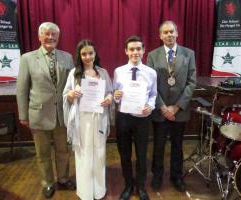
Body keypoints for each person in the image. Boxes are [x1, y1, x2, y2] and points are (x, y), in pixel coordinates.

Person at [16, 22, 75, 199]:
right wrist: (23, 114)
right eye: (47, 34)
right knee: (43, 154)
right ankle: (48, 183)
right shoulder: (27, 58)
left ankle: (63, 178)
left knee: (63, 150)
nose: (50, 38)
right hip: (39, 114)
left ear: (58, 37)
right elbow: (22, 89)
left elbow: (73, 84)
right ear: (40, 36)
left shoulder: (67, 57)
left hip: (62, 115)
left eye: (54, 35)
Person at [147, 20, 196, 192]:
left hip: (179, 111)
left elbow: (191, 83)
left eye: (171, 32)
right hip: (160, 110)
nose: (169, 35)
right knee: (158, 145)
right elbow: (150, 84)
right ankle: (157, 176)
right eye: (165, 32)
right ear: (160, 36)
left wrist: (176, 107)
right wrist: (162, 107)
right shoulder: (153, 55)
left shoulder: (189, 54)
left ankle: (176, 176)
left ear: (177, 33)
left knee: (177, 145)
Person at [63, 40, 113, 200]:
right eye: (84, 54)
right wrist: (70, 95)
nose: (87, 57)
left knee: (99, 153)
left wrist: (109, 98)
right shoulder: (74, 73)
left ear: (95, 54)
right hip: (81, 120)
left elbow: (110, 92)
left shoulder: (103, 72)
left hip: (98, 118)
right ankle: (85, 192)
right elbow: (66, 95)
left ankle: (99, 190)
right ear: (79, 55)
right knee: (83, 155)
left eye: (90, 53)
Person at [113, 35, 157, 200]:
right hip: (123, 117)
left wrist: (150, 106)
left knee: (141, 154)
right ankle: (128, 185)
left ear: (144, 50)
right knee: (124, 154)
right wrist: (116, 96)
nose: (135, 52)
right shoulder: (118, 71)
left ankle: (140, 185)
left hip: (142, 118)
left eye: (138, 49)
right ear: (126, 51)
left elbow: (153, 95)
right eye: (132, 49)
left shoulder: (151, 73)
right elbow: (115, 95)